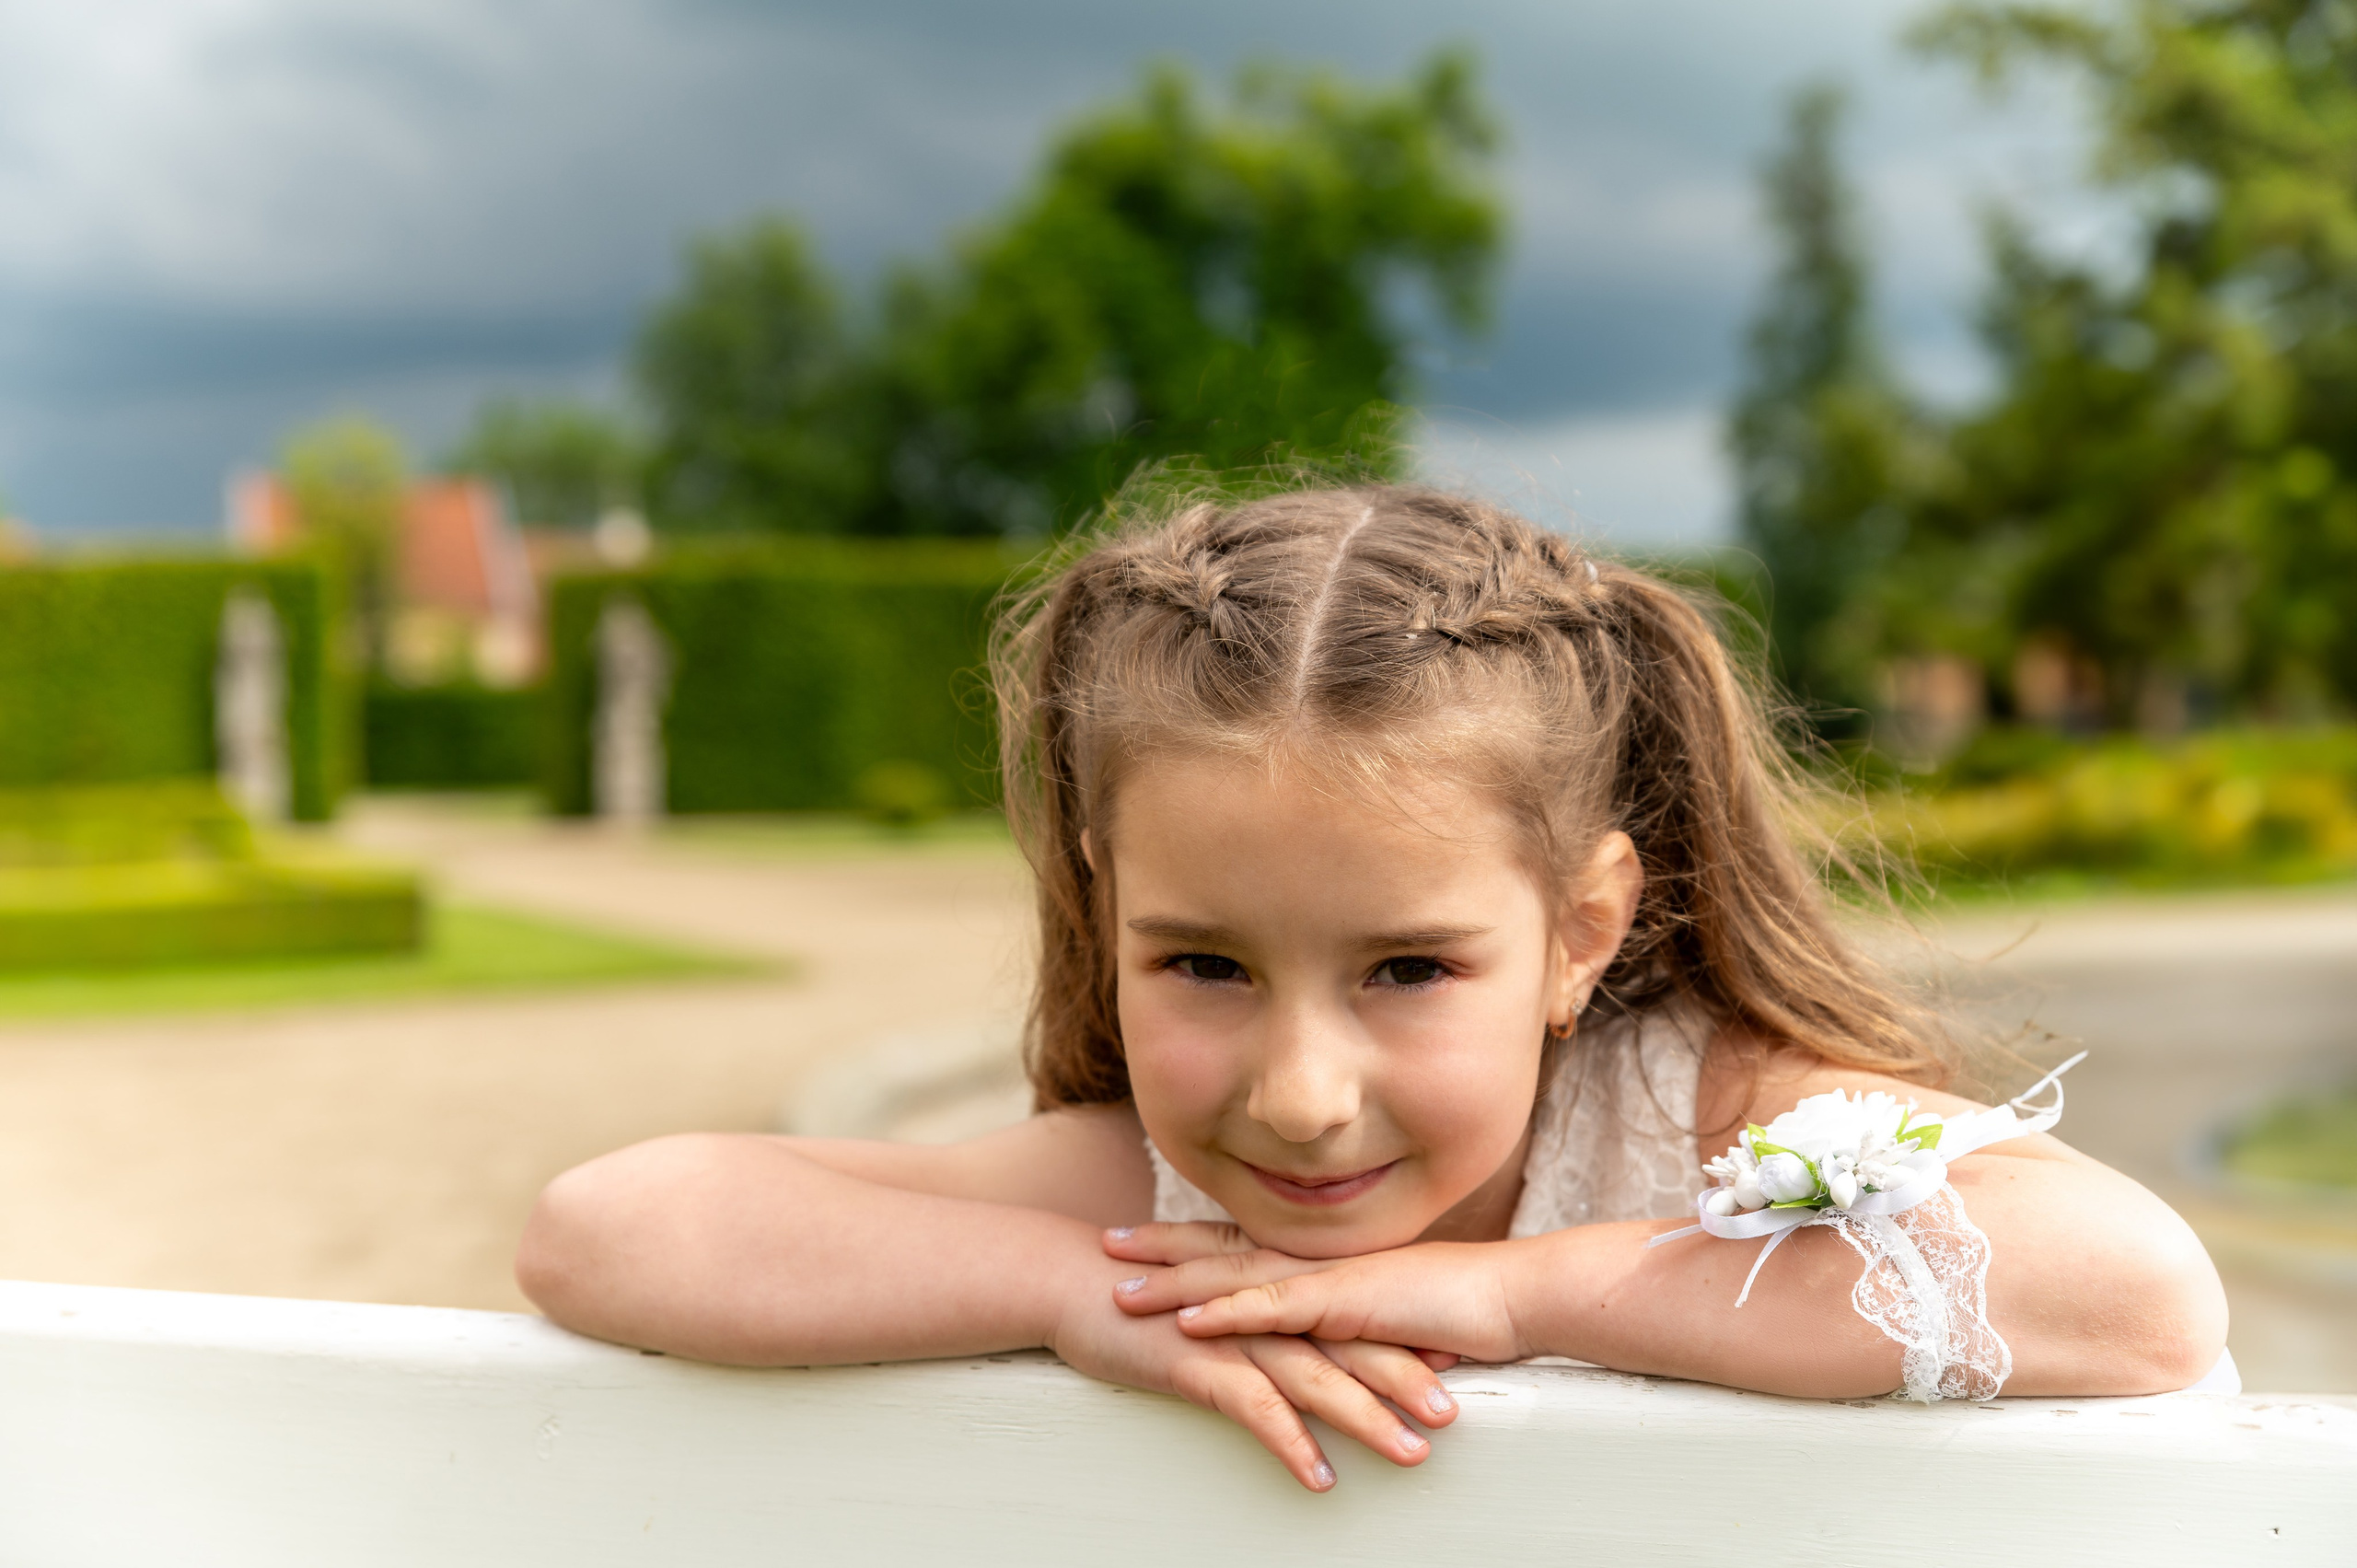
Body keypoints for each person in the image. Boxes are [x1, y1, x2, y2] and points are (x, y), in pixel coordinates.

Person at [517, 483, 2229, 1493]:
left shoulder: (1701, 1111)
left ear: (1582, 930)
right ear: (1103, 906)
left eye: (1408, 968)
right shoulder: (1160, 1222)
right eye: (1203, 963)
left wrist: (1520, 1294)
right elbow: (607, 1225)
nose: (1298, 1094)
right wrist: (1067, 1294)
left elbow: (2139, 1296)